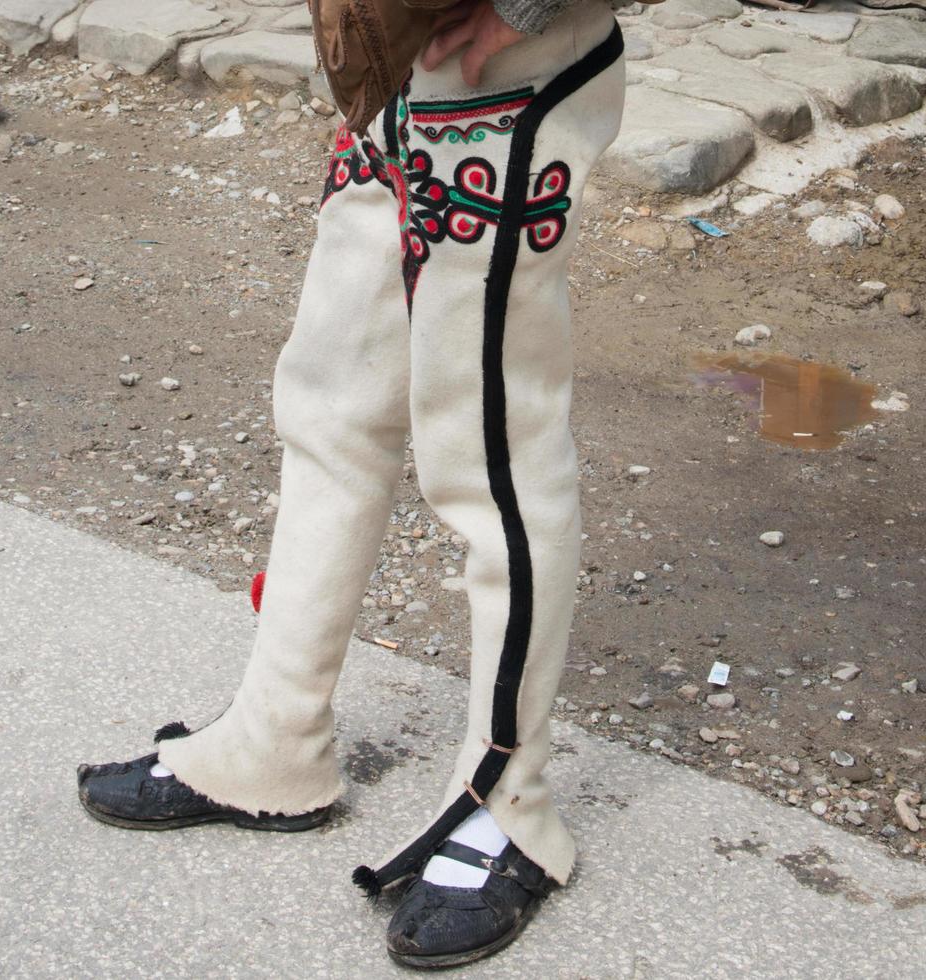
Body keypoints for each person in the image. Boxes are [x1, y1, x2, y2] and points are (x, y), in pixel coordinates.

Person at [77, 0, 627, 967]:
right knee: (331, 402)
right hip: (401, 72)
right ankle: (276, 739)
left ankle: (510, 803)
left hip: (514, 59)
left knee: (492, 449)